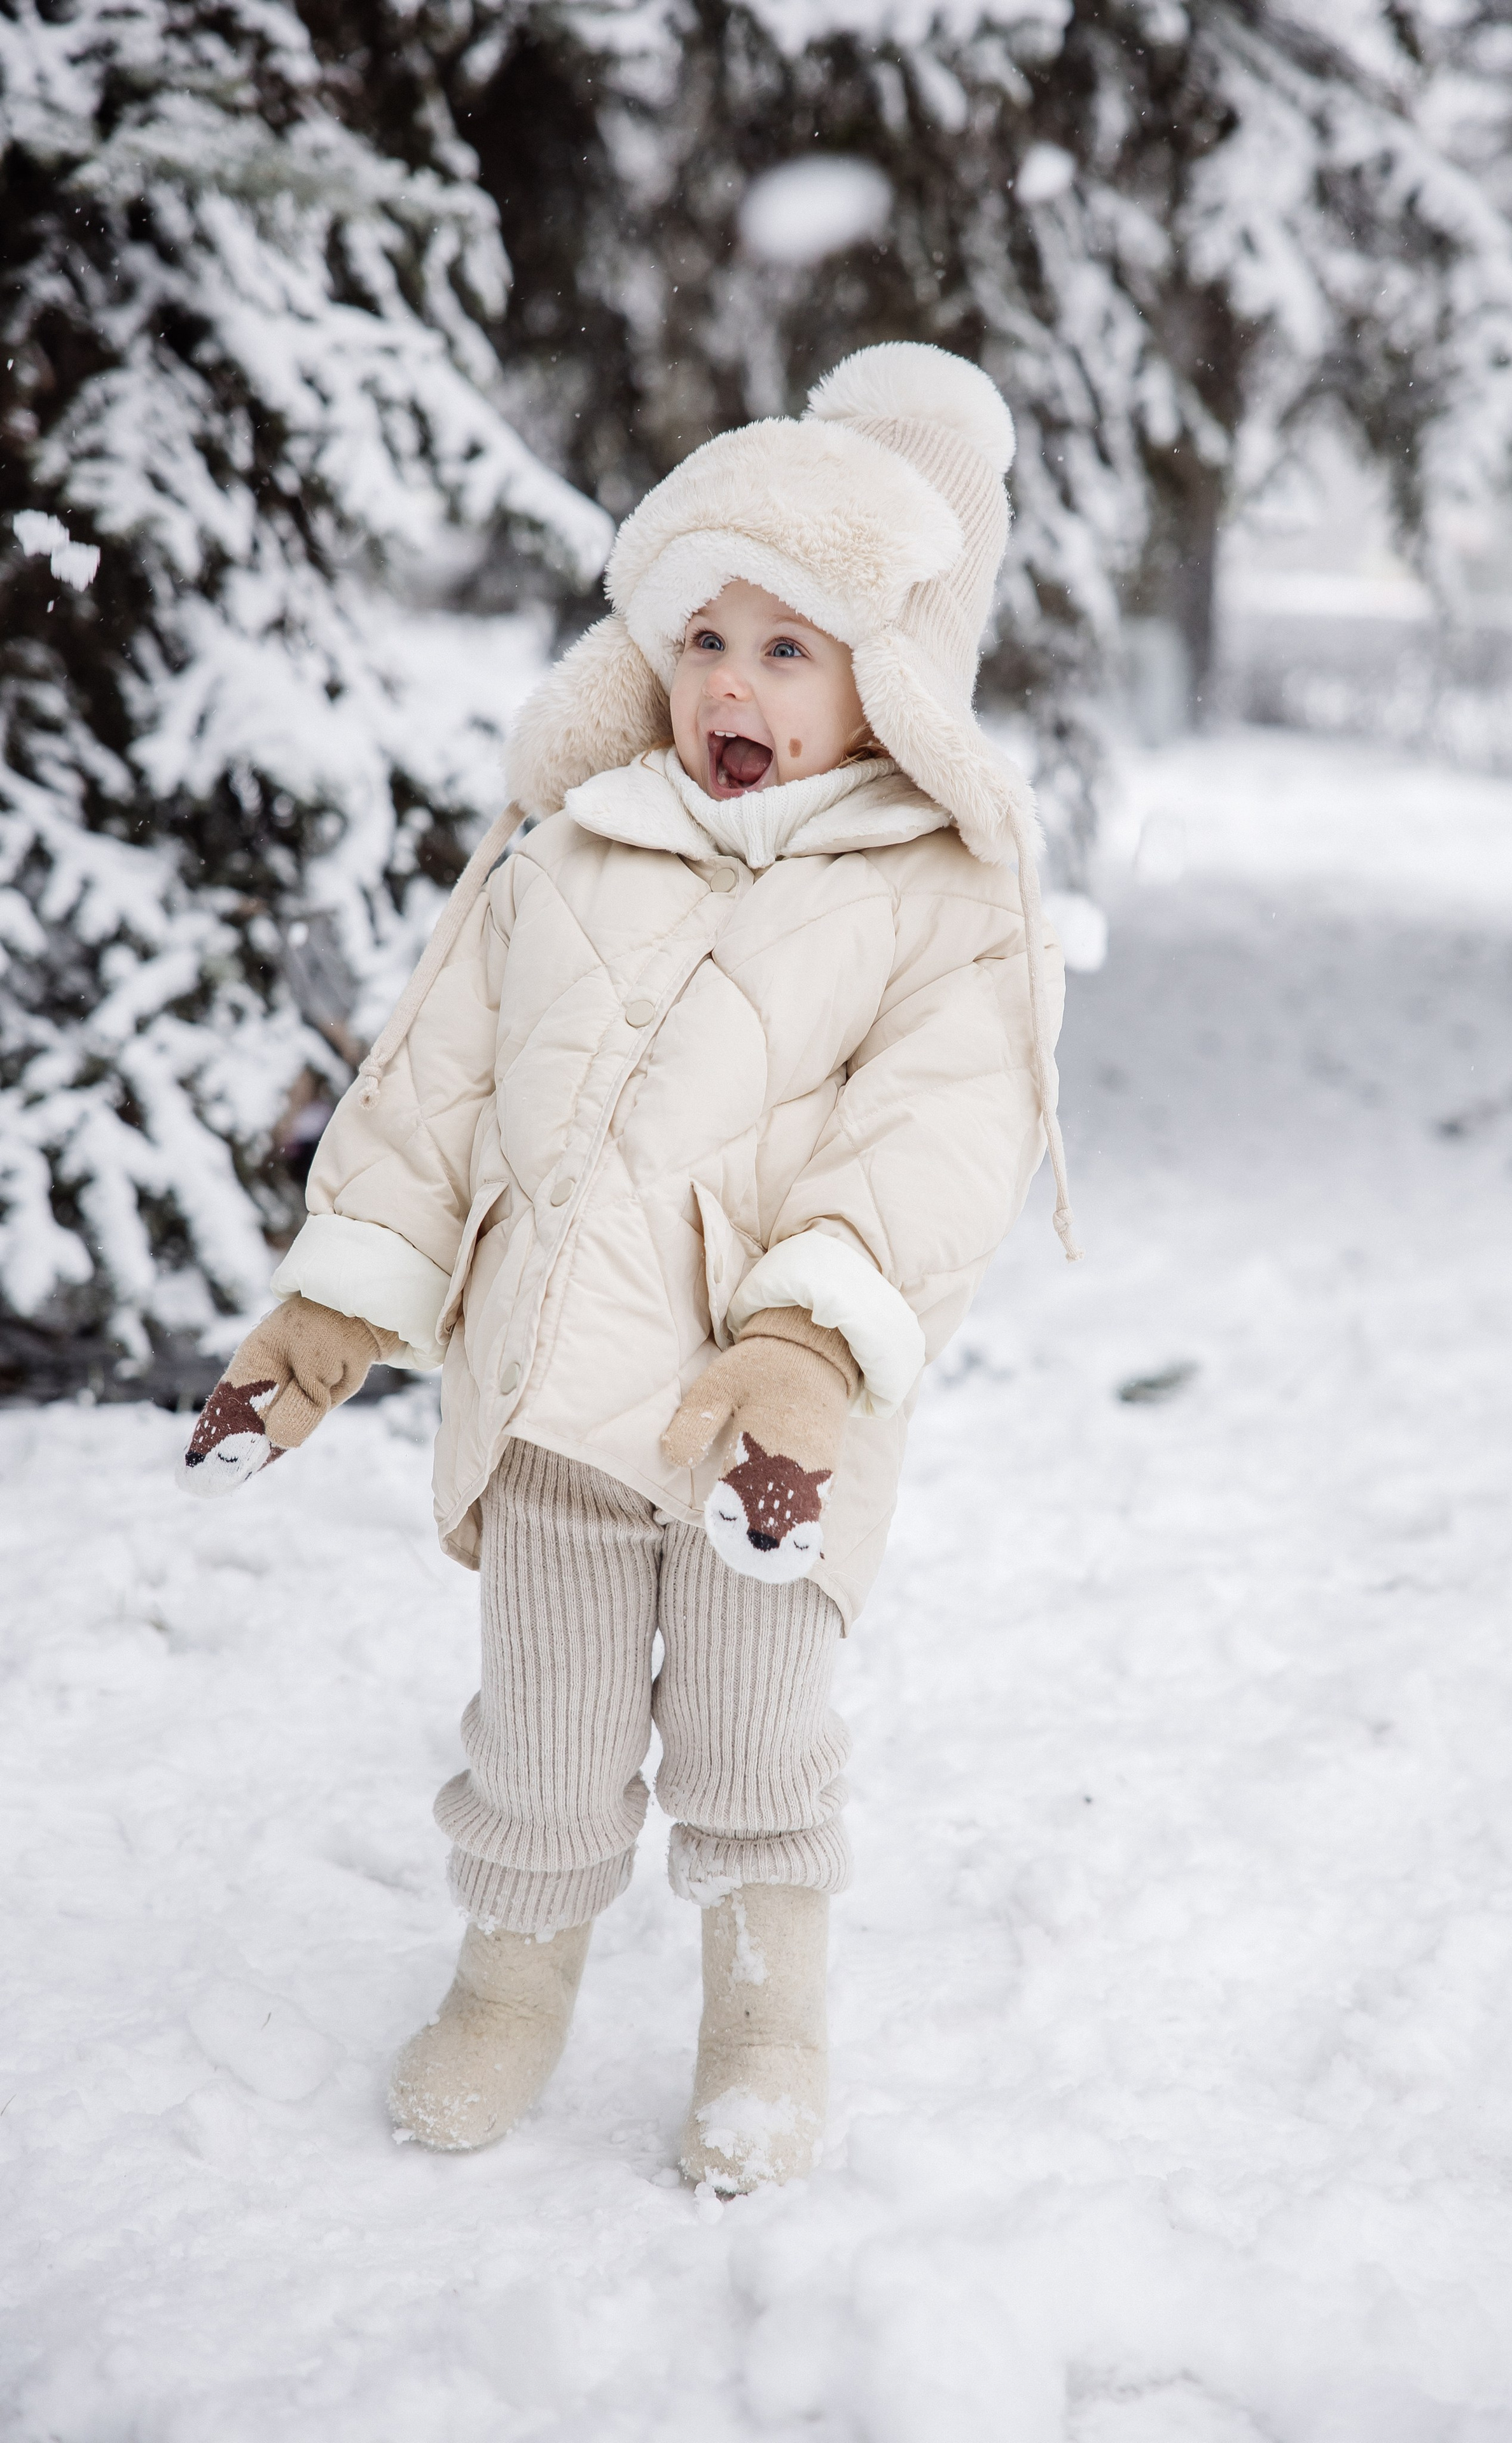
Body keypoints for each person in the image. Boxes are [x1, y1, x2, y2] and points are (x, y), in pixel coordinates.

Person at [179, 344, 1078, 2192]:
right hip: (559, 1417)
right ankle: (512, 1988)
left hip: (763, 1437)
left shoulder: (939, 898)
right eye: (703, 640)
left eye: (789, 647)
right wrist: (339, 1304)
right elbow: (437, 1097)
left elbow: (931, 1144)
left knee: (757, 1747)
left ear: (883, 674)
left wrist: (812, 1340)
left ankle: (765, 2017)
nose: (731, 684)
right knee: (545, 1744)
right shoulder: (571, 853)